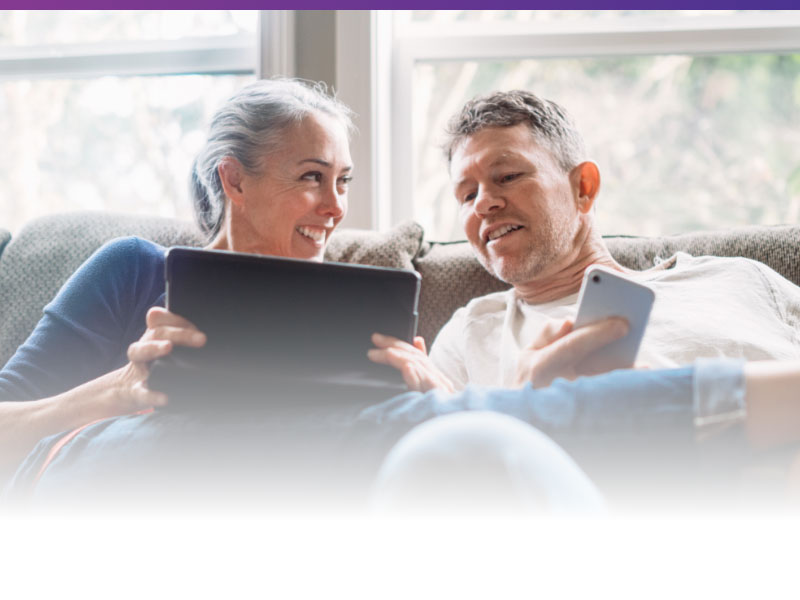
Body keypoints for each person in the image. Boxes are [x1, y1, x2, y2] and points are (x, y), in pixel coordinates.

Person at [362, 90, 800, 511]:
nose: (484, 205)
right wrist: (504, 414)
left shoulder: (739, 279)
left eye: (508, 176)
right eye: (467, 195)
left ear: (583, 187)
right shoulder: (470, 333)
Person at [0, 78, 355, 484]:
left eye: (344, 181)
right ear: (235, 179)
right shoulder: (133, 271)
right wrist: (123, 387)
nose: (336, 206)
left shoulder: (347, 319)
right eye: (312, 177)